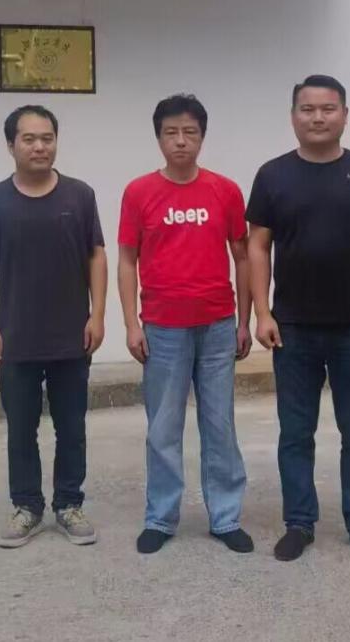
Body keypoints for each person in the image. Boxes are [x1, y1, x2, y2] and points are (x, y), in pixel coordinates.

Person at [247, 75, 350, 564]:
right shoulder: (273, 175)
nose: (318, 117)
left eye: (328, 109)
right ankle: (299, 523)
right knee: (296, 434)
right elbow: (257, 246)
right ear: (294, 116)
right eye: (308, 109)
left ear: (345, 115)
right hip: (293, 327)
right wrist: (263, 312)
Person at [0, 105, 108, 549]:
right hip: (15, 337)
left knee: (72, 428)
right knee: (21, 429)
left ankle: (69, 504)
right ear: (11, 145)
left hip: (71, 336)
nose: (39, 146)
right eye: (29, 139)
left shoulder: (79, 196)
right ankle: (27, 506)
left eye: (47, 138)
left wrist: (98, 315)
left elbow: (96, 256)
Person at [118, 94, 254, 555]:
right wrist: (131, 324)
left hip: (217, 325)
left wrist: (245, 321)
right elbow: (127, 260)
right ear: (159, 138)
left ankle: (225, 517)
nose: (181, 141)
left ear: (202, 137)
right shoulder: (139, 192)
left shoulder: (225, 190)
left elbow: (243, 257)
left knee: (220, 425)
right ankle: (160, 517)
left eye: (190, 132)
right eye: (171, 133)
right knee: (163, 427)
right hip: (162, 327)